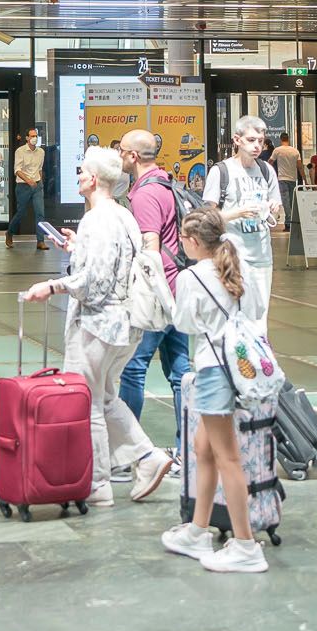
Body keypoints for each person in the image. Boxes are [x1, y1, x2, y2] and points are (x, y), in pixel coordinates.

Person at [24, 146, 173, 507]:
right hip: (126, 326)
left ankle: (97, 483)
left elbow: (95, 282)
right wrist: (78, 249)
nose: (76, 177)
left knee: (86, 404)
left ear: (92, 179)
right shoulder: (122, 215)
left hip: (98, 325)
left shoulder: (96, 219)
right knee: (106, 398)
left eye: (80, 172)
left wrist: (53, 285)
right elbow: (110, 264)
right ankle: (148, 458)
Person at [161, 205, 271, 573]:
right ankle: (197, 529)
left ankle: (245, 545)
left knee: (227, 457)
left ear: (193, 242)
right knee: (202, 448)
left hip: (212, 368)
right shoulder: (241, 266)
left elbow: (184, 322)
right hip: (238, 366)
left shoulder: (192, 277)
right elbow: (255, 311)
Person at [119, 129, 191, 434]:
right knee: (181, 372)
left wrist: (141, 292)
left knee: (133, 369)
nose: (119, 155)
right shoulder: (164, 182)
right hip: (176, 290)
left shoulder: (147, 192)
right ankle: (185, 446)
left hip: (157, 295)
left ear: (133, 156)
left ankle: (127, 448)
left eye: (122, 151)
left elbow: (150, 246)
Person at [207, 116, 283, 307]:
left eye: (260, 141)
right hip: (231, 256)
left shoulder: (267, 171)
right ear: (236, 140)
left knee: (260, 313)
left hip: (262, 257)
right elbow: (208, 217)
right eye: (251, 140)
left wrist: (273, 209)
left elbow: (277, 215)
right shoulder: (221, 171)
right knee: (232, 313)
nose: (257, 146)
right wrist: (238, 213)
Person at [5, 130, 44, 249]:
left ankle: (40, 241)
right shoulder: (20, 151)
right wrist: (29, 181)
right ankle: (9, 233)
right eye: (32, 136)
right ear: (27, 138)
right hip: (23, 186)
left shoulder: (41, 152)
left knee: (40, 213)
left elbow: (40, 168)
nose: (35, 138)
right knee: (21, 213)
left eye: (36, 136)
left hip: (37, 185)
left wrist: (39, 181)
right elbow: (17, 170)